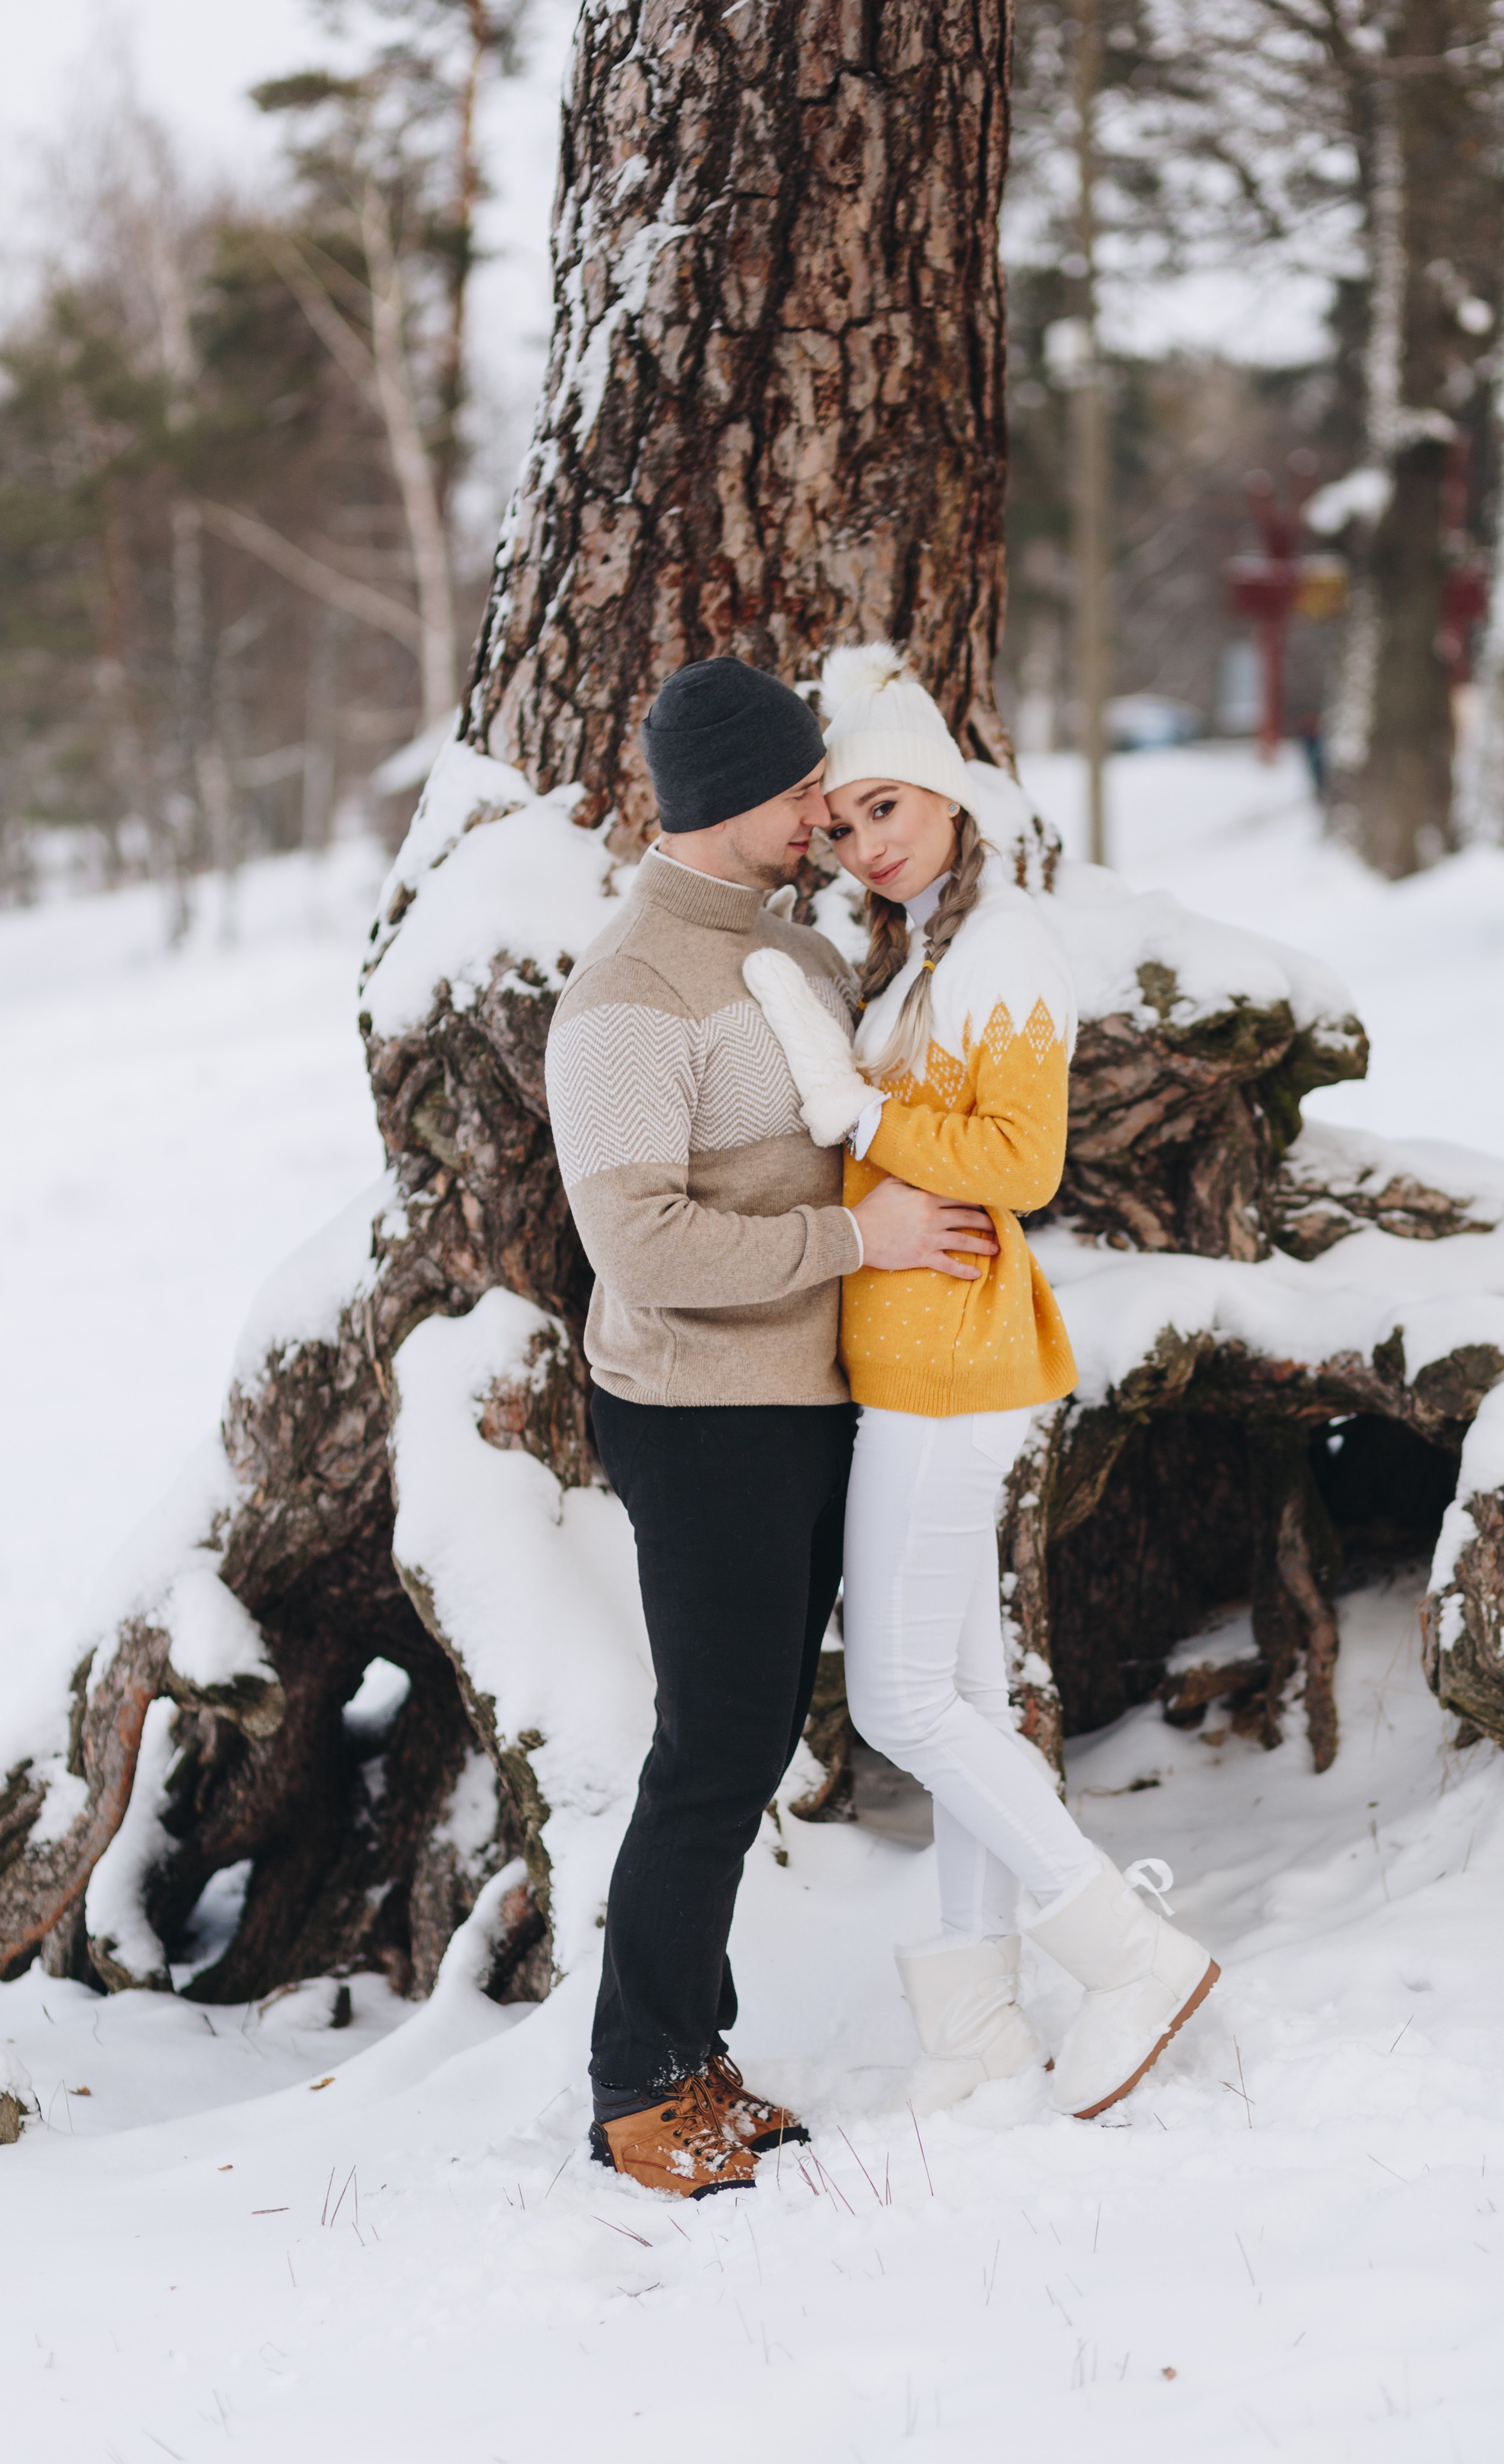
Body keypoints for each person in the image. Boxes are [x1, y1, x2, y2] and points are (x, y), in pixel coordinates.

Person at [743, 644, 1220, 2122]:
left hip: (950, 1364)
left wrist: (850, 1105)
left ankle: (1129, 1956)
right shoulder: (922, 950)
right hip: (912, 1356)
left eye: (885, 808)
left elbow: (1020, 1163)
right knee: (955, 1694)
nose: (865, 845)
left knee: (899, 1702)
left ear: (947, 796)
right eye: (842, 826)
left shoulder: (1001, 943)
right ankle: (976, 2025)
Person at [545, 655, 1000, 2198]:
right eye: (803, 787)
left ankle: (694, 2054)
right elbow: (642, 1247)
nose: (825, 810)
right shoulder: (627, 997)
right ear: (732, 798)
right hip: (699, 1418)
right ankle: (637, 2089)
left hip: (808, 1405)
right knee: (713, 1753)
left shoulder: (792, 951)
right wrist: (859, 1245)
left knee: (744, 1751)